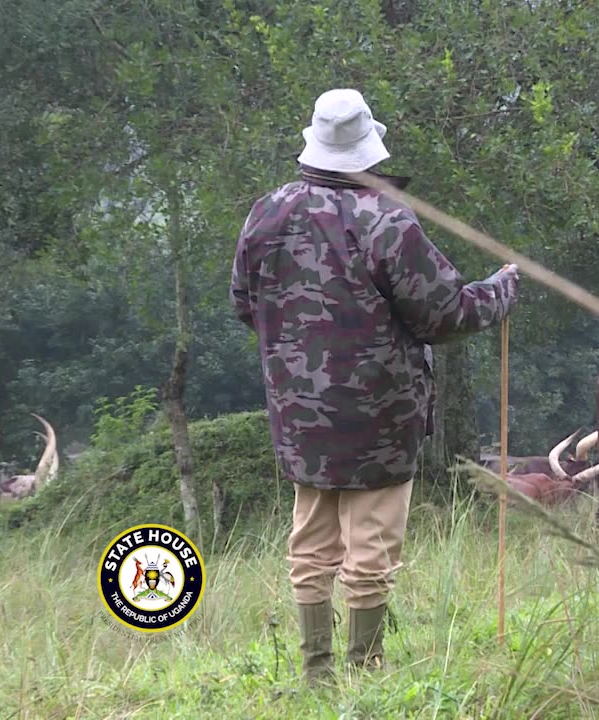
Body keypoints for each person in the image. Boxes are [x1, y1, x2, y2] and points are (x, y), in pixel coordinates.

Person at [229, 88, 518, 684]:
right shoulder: (388, 219)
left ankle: (316, 675)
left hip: (300, 415)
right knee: (371, 552)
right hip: (382, 419)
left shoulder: (266, 211)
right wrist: (501, 290)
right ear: (368, 149)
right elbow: (445, 315)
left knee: (309, 543)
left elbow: (244, 304)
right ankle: (365, 674)